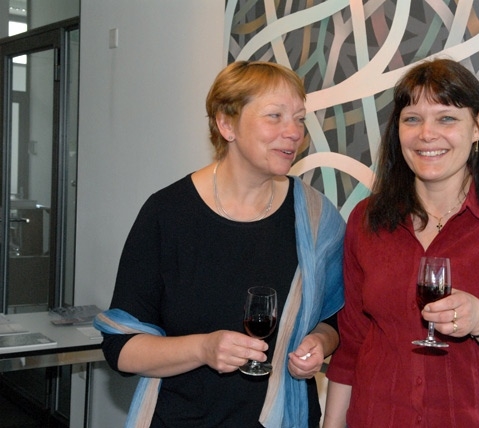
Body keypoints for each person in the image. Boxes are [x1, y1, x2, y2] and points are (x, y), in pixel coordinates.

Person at [94, 61, 345, 428]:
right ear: (227, 124)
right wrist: (203, 349)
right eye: (275, 116)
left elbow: (334, 319)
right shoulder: (167, 214)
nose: (294, 132)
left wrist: (320, 342)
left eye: (299, 119)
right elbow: (121, 348)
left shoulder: (316, 218)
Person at [322, 58, 479, 428]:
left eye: (446, 118)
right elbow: (351, 347)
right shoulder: (368, 220)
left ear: (478, 127)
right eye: (412, 119)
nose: (427, 134)